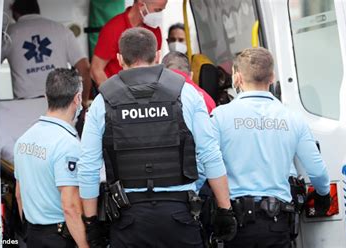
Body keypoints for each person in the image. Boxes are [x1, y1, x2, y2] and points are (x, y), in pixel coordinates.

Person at [78, 28, 236, 248]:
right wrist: (224, 209)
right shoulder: (186, 93)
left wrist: (92, 222)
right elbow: (210, 154)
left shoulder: (102, 101)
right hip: (180, 217)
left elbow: (88, 168)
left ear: (120, 58)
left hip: (128, 221)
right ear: (158, 53)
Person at [210, 47, 331, 248]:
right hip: (277, 223)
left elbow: (206, 164)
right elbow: (317, 170)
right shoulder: (293, 119)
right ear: (272, 77)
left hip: (236, 225)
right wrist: (323, 194)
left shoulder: (219, 117)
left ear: (237, 78)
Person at [14, 69, 88, 248]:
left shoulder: (23, 139)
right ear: (77, 99)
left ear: (47, 97)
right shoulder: (68, 145)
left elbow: (19, 194)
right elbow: (70, 207)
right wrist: (84, 245)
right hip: (60, 236)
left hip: (33, 235)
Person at [2, 0, 91, 109]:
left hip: (24, 106)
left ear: (14, 12)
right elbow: (85, 69)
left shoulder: (9, 34)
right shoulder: (61, 30)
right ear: (37, 9)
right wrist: (83, 102)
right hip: (61, 104)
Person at [90, 0, 167, 86]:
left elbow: (154, 66)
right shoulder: (113, 28)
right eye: (157, 10)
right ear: (141, 5)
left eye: (162, 10)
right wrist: (112, 94)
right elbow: (96, 69)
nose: (159, 15)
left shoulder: (155, 30)